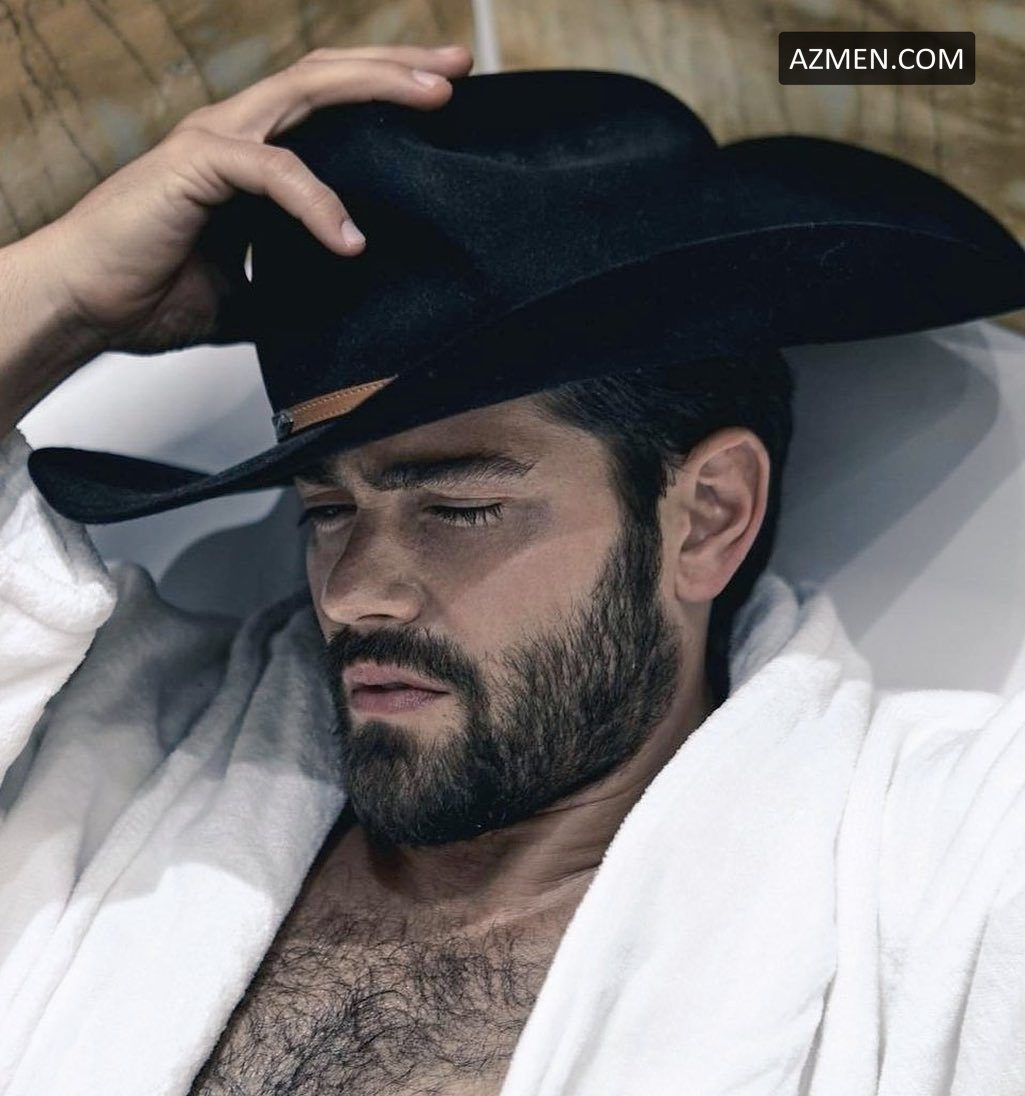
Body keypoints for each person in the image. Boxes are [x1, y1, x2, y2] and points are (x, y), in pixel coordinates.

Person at [2, 39, 1025, 1096]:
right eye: (325, 511)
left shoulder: (930, 877)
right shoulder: (124, 751)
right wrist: (61, 292)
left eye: (459, 508)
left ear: (705, 518)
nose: (350, 594)